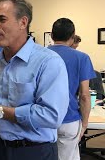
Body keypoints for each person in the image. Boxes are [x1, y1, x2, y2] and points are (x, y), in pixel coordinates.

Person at [0, 0, 70, 160]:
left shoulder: (48, 62)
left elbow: (51, 116)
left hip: (34, 151)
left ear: (23, 22)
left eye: (2, 19)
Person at [48, 18, 96, 160]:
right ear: (73, 36)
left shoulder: (38, 55)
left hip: (43, 118)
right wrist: (85, 123)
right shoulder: (81, 58)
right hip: (69, 119)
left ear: (51, 35)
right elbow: (84, 95)